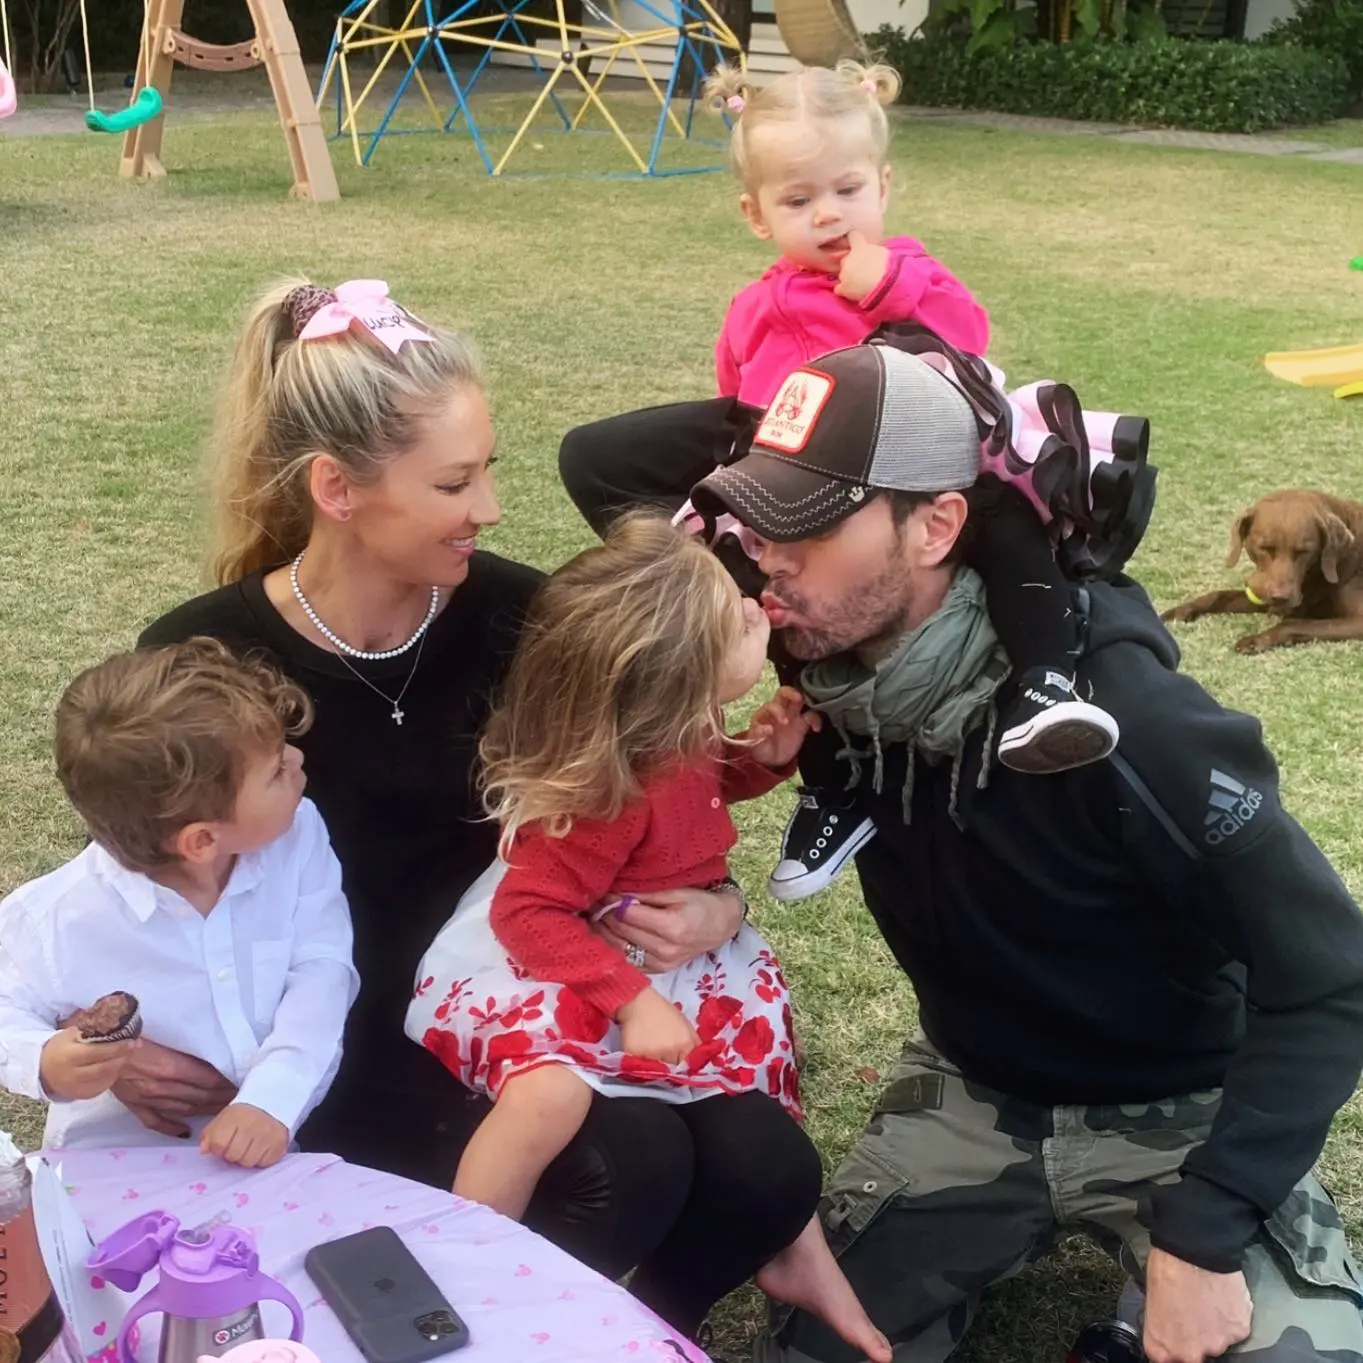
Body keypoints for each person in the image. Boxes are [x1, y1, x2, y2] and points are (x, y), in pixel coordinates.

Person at [133, 278, 823, 1312]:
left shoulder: (522, 614)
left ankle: (633, 1331)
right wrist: (132, 1045)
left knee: (767, 1160)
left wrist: (718, 908)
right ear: (337, 488)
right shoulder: (204, 656)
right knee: (625, 1161)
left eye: (485, 472)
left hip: (520, 999)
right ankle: (479, 1319)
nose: (490, 508)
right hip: (327, 1043)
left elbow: (652, 791)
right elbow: (145, 883)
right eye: (455, 483)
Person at [686, 340, 1363, 1363]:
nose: (767, 556)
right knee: (813, 1350)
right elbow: (610, 469)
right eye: (759, 516)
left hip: (1182, 1105)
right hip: (970, 1087)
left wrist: (1211, 1220)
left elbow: (1327, 977)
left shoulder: (1125, 718)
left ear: (938, 525)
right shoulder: (833, 688)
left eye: (811, 522)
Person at [559, 61, 1143, 908]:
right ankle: (773, 695)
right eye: (798, 201)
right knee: (623, 473)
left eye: (847, 189)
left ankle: (1043, 685)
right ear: (755, 215)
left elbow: (967, 339)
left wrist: (892, 290)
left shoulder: (904, 269)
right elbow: (736, 385)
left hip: (912, 448)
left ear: (883, 186)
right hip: (788, 456)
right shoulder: (757, 302)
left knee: (1002, 516)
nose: (829, 214)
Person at [406, 515, 887, 1352]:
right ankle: (463, 1258)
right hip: (558, 963)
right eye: (735, 621)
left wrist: (759, 761)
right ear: (682, 679)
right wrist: (629, 1003)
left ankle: (753, 1267)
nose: (757, 612)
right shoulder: (609, 795)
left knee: (753, 1087)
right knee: (545, 1092)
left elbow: (694, 795)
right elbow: (527, 914)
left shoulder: (673, 733)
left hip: (654, 956)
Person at [0, 638, 356, 1164]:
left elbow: (323, 969)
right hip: (109, 1176)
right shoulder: (56, 916)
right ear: (202, 841)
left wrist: (271, 1099)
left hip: (259, 1166)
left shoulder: (297, 837)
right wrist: (44, 1060)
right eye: (276, 770)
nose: (299, 761)